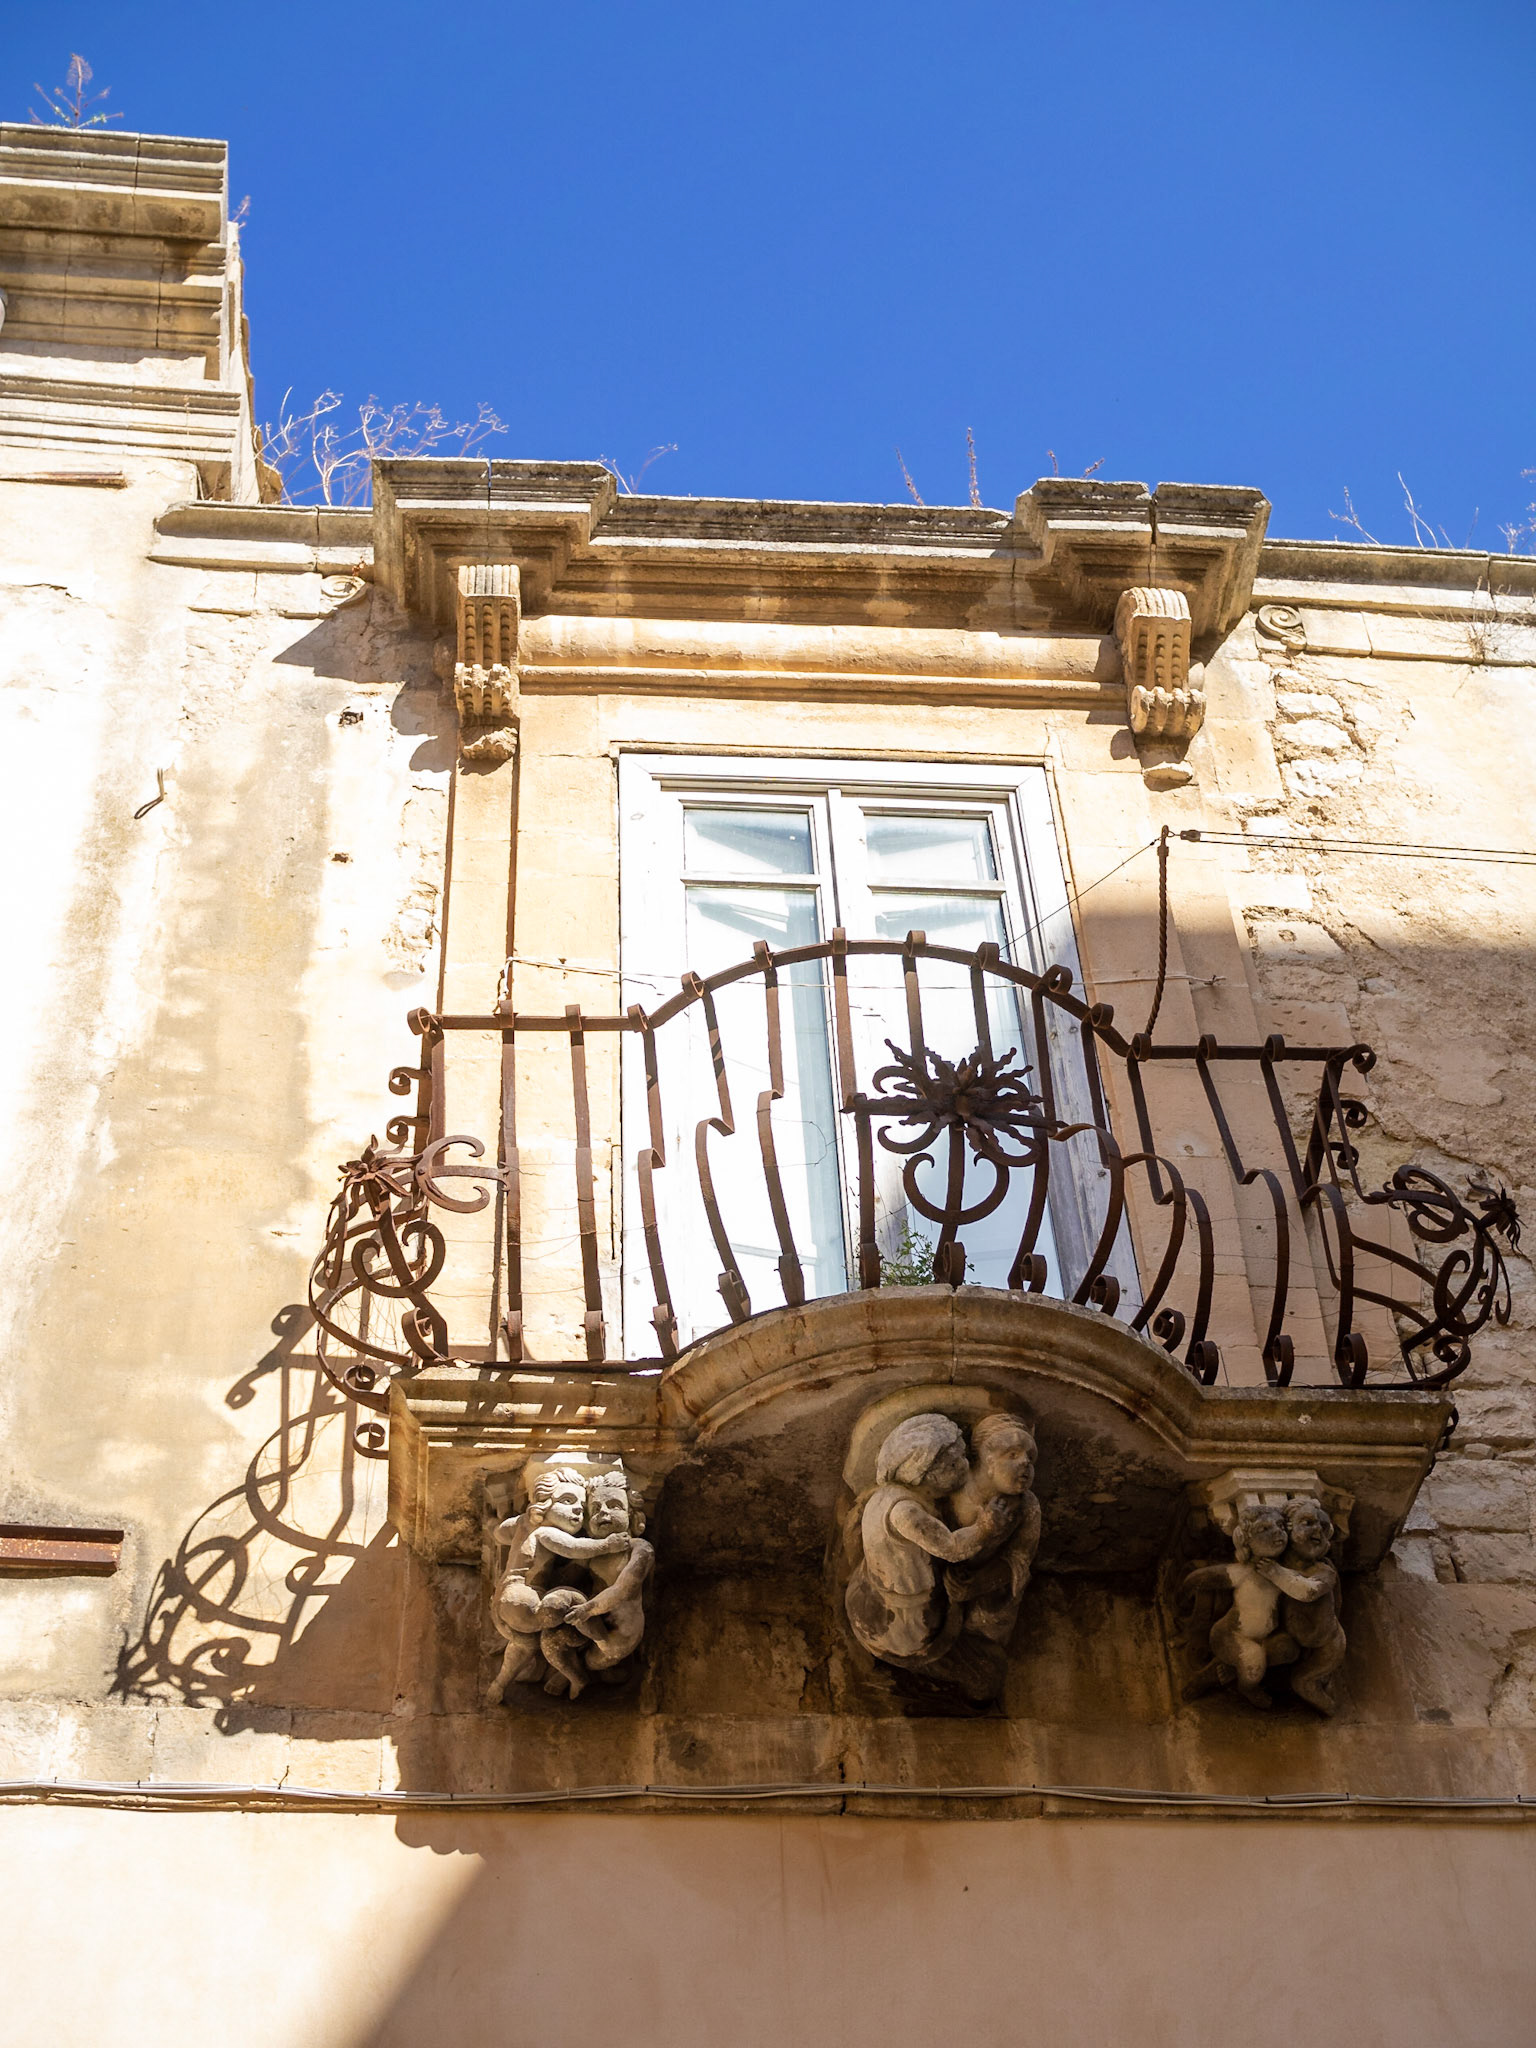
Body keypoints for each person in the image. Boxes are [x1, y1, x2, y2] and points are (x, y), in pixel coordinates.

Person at [845, 1412, 1021, 1666]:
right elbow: (952, 1548)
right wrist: (986, 1526)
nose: (965, 1465)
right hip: (902, 1622)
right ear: (928, 1470)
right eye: (956, 1462)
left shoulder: (886, 1494)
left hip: (866, 1592)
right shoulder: (905, 1512)